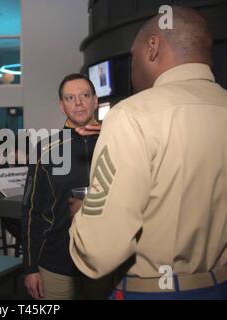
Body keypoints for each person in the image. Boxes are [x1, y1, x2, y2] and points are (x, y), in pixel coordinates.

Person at [69, 6, 227, 300]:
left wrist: (82, 216)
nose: (132, 66)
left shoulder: (132, 115)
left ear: (153, 47)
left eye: (133, 55)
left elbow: (98, 252)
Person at [21, 73, 105, 300]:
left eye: (85, 95)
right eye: (70, 98)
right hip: (57, 265)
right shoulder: (45, 149)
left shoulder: (116, 141)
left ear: (95, 100)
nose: (78, 103)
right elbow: (31, 210)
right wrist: (30, 268)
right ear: (62, 106)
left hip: (106, 262)